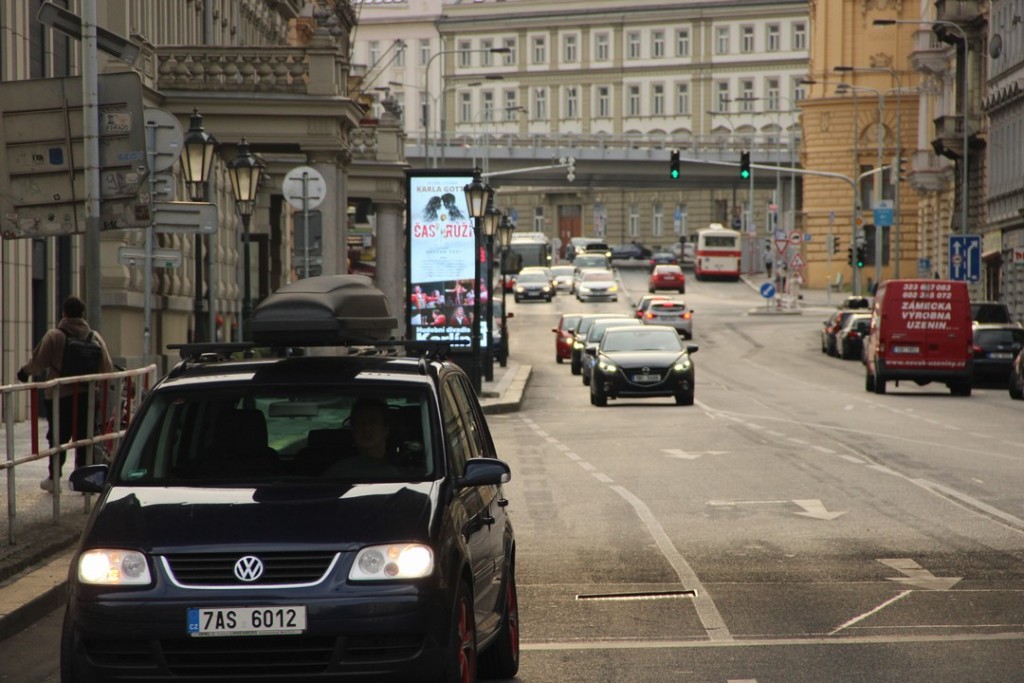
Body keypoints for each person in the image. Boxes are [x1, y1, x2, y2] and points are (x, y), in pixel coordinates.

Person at [17, 296, 114, 492]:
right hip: (87, 396)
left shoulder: (55, 335)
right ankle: (84, 479)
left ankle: (54, 479)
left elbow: (38, 362)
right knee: (85, 438)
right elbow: (107, 367)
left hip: (60, 396)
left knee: (57, 439)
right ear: (83, 314)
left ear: (64, 313)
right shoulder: (94, 337)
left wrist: (24, 372)